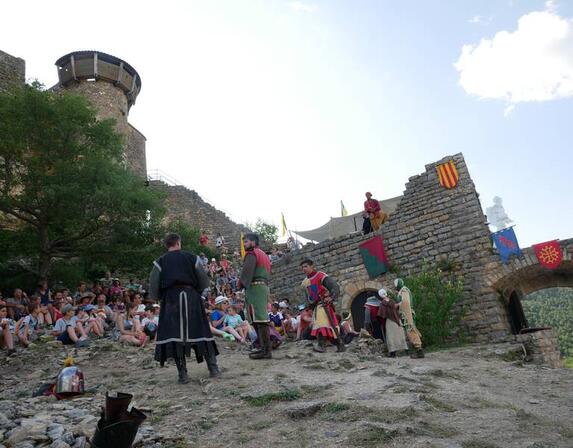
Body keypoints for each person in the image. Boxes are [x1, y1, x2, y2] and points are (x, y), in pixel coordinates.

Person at [149, 232, 220, 383]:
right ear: (178, 243)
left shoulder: (160, 261)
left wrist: (161, 297)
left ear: (166, 245)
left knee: (175, 336)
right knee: (201, 330)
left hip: (171, 300)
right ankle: (213, 368)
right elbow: (203, 281)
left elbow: (154, 286)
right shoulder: (191, 257)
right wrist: (195, 292)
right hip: (191, 297)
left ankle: (183, 375)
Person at [238, 233, 273, 360]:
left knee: (260, 319)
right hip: (262, 287)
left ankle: (265, 350)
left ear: (253, 242)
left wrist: (240, 284)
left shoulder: (252, 254)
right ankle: (263, 348)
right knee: (259, 318)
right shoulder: (263, 254)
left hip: (255, 288)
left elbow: (247, 272)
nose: (245, 244)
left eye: (246, 242)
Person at [300, 259, 345, 353]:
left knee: (323, 325)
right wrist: (310, 308)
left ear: (312, 266)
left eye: (306, 266)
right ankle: (340, 344)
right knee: (328, 326)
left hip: (324, 304)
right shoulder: (305, 282)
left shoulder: (320, 275)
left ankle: (322, 345)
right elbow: (309, 297)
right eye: (302, 267)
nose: (304, 269)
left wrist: (331, 297)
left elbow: (334, 286)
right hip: (316, 306)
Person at [394, 278, 424, 358]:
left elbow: (405, 302)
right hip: (405, 315)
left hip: (407, 314)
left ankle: (419, 350)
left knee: (411, 331)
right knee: (410, 331)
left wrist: (397, 305)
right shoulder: (401, 291)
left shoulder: (404, 290)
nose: (395, 287)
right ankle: (417, 350)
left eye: (395, 285)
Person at [377, 289, 408, 357]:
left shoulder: (382, 304)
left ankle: (393, 353)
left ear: (380, 295)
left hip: (390, 321)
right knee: (400, 335)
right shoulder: (392, 301)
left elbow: (382, 314)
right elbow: (396, 307)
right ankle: (406, 350)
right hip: (397, 319)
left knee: (390, 337)